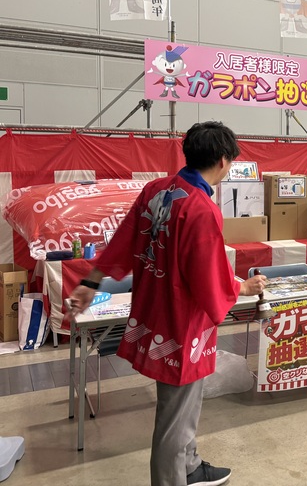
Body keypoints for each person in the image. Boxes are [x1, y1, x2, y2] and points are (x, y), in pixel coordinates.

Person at [68, 121, 267, 486]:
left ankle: (189, 466)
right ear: (224, 160)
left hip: (153, 313)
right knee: (175, 416)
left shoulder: (156, 190)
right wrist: (243, 287)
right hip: (182, 324)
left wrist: (91, 281)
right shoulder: (201, 208)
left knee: (183, 406)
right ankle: (171, 479)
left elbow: (123, 240)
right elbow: (208, 277)